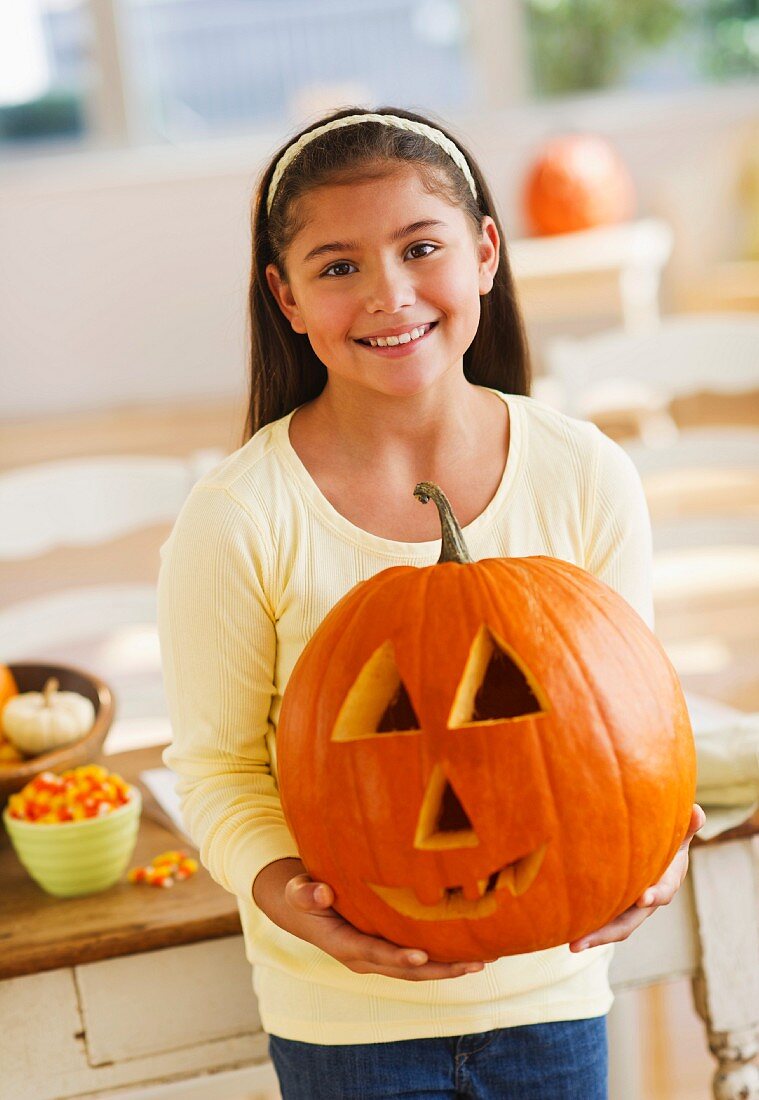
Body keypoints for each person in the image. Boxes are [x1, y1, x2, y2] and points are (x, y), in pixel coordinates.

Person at [157, 105, 705, 1099]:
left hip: (554, 997)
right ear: (285, 297)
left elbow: (635, 724)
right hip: (343, 1019)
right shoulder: (239, 516)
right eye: (337, 267)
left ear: (486, 252)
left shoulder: (585, 475)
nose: (389, 294)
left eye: (421, 247)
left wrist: (658, 842)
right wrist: (289, 893)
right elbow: (217, 765)